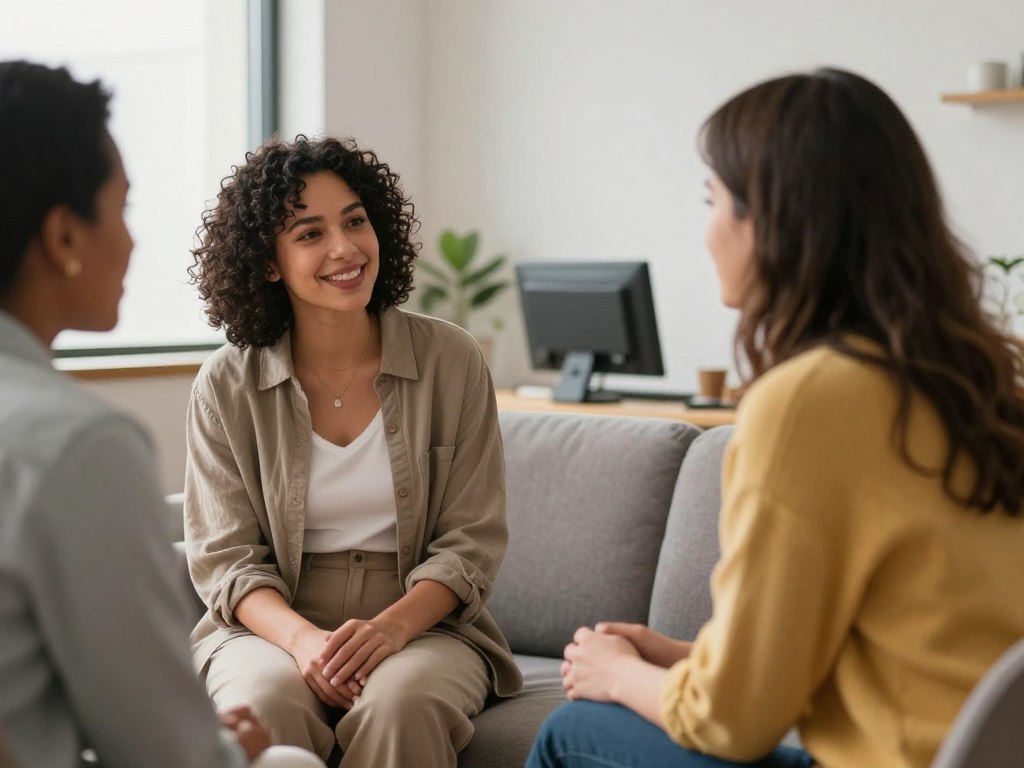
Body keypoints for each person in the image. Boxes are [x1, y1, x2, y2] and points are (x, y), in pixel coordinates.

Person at [525, 68, 1024, 768]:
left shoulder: (809, 402)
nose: (706, 233)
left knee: (572, 732)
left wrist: (616, 675)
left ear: (774, 222)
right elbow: (907, 641)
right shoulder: (988, 377)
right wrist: (691, 656)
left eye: (713, 201)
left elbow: (732, 723)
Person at [0, 61, 325, 768]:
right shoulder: (76, 446)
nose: (133, 241)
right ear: (63, 238)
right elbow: (162, 750)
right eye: (122, 207)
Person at [185, 134, 522, 767]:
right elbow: (225, 559)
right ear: (267, 262)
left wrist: (391, 628)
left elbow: (471, 541)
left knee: (402, 705)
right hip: (273, 624)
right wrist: (306, 641)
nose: (345, 249)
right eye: (309, 234)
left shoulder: (452, 360)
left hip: (423, 622)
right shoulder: (227, 383)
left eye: (356, 221)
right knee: (264, 704)